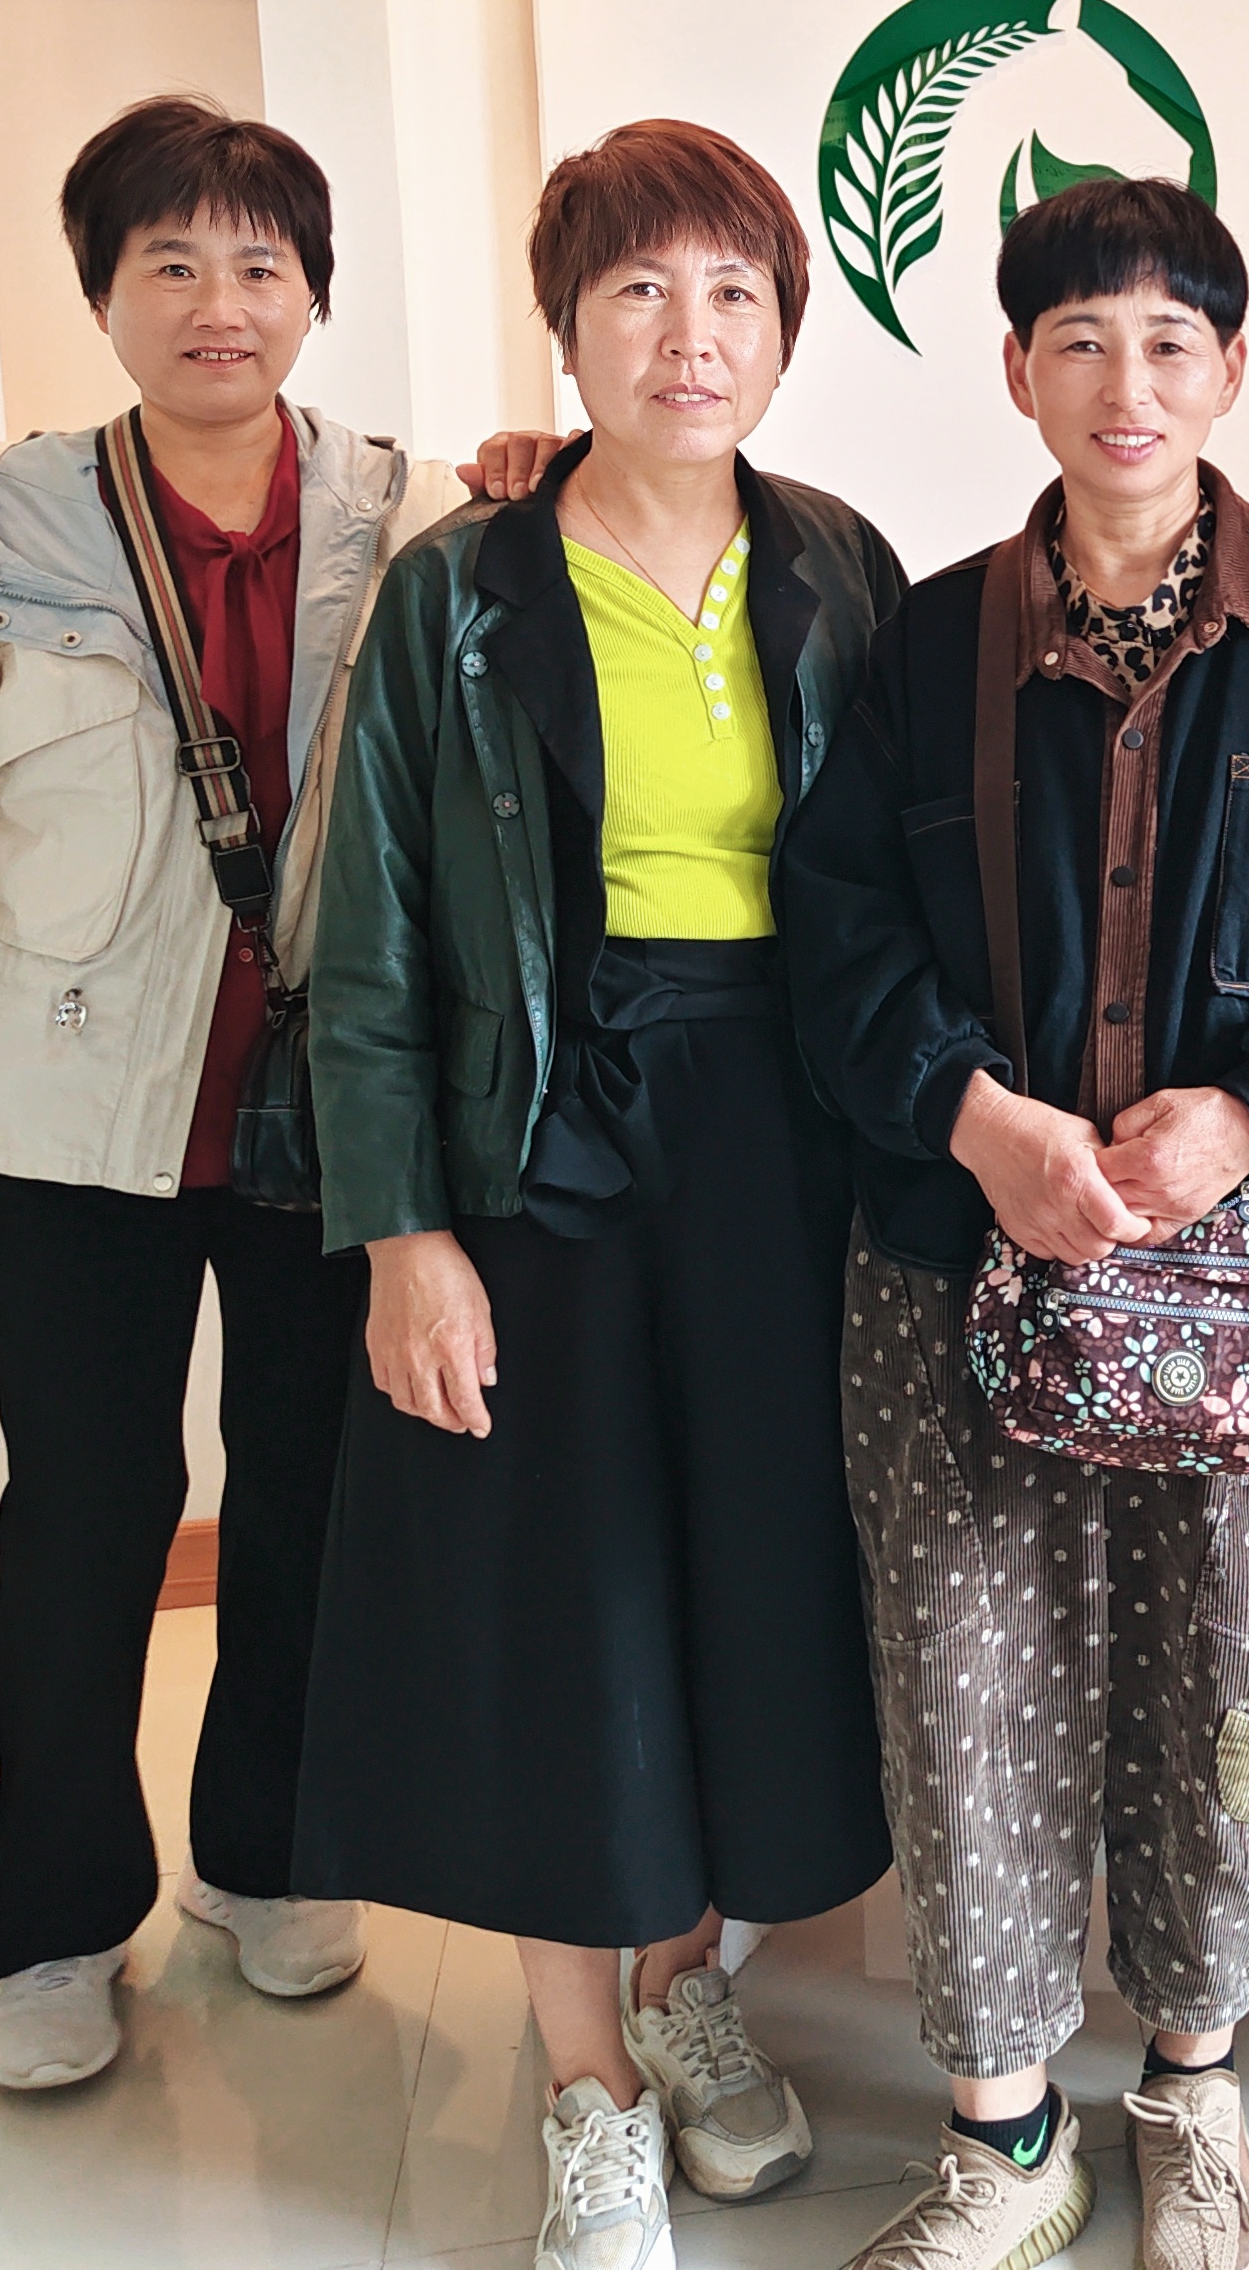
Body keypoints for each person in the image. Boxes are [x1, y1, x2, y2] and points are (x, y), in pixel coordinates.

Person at [781, 176, 1249, 2270]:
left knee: (1239, 1682)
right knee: (967, 1681)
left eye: (1171, 341)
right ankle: (1003, 2139)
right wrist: (974, 1117)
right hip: (961, 1263)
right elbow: (834, 925)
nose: (1125, 382)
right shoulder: (926, 645)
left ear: (1232, 370)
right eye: (1078, 339)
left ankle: (1190, 2085)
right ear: (1017, 372)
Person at [297, 120, 904, 2270]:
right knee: (561, 1603)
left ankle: (685, 1989)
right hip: (531, 1139)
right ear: (566, 326)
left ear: (786, 328)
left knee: (748, 1578)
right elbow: (370, 938)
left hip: (785, 1145)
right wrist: (405, 1234)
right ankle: (587, 2085)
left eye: (733, 291)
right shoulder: (461, 592)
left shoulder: (841, 565)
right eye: (639, 290)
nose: (688, 336)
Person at [0, 94, 460, 2094]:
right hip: (65, 1112)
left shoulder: (410, 516)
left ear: (313, 294)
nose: (218, 304)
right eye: (169, 263)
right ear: (102, 291)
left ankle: (267, 1857)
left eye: (260, 264)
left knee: (310, 1503)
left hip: (328, 1114)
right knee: (87, 1521)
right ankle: (56, 1920)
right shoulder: (0, 524)